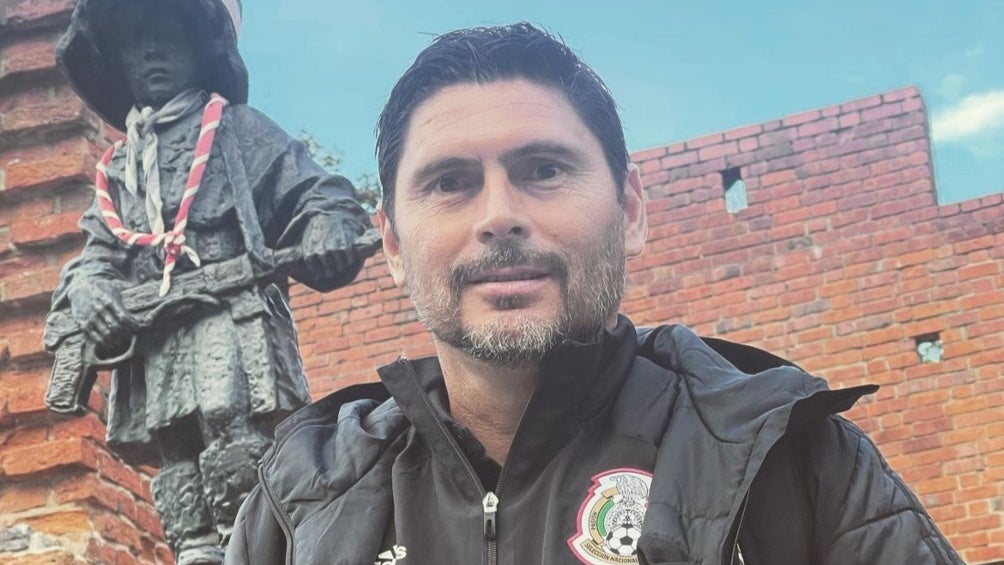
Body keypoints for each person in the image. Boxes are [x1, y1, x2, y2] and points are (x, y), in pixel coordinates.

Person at [224, 23, 962, 565]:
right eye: (450, 182)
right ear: (391, 243)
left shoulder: (786, 458)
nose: (498, 215)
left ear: (630, 210)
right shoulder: (299, 503)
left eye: (544, 170)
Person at [45, 1, 376, 563]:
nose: (152, 52)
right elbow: (96, 254)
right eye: (137, 42)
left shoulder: (237, 130)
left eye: (168, 37)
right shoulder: (119, 167)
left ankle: (246, 542)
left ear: (200, 49)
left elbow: (318, 195)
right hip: (157, 332)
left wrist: (326, 227)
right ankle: (195, 547)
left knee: (232, 424)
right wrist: (91, 290)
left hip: (231, 314)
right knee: (175, 443)